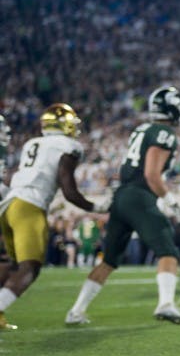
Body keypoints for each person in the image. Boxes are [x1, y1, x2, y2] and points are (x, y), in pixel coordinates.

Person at [66, 87, 180, 325]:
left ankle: (76, 311)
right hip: (139, 196)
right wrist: (170, 200)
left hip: (122, 195)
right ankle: (166, 304)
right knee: (168, 251)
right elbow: (151, 175)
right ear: (171, 107)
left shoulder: (142, 129)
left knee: (109, 260)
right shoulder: (163, 132)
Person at [0, 104, 108, 329]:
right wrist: (96, 207)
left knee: (11, 265)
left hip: (8, 205)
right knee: (29, 268)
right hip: (30, 206)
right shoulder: (67, 146)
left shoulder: (33, 143)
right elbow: (69, 190)